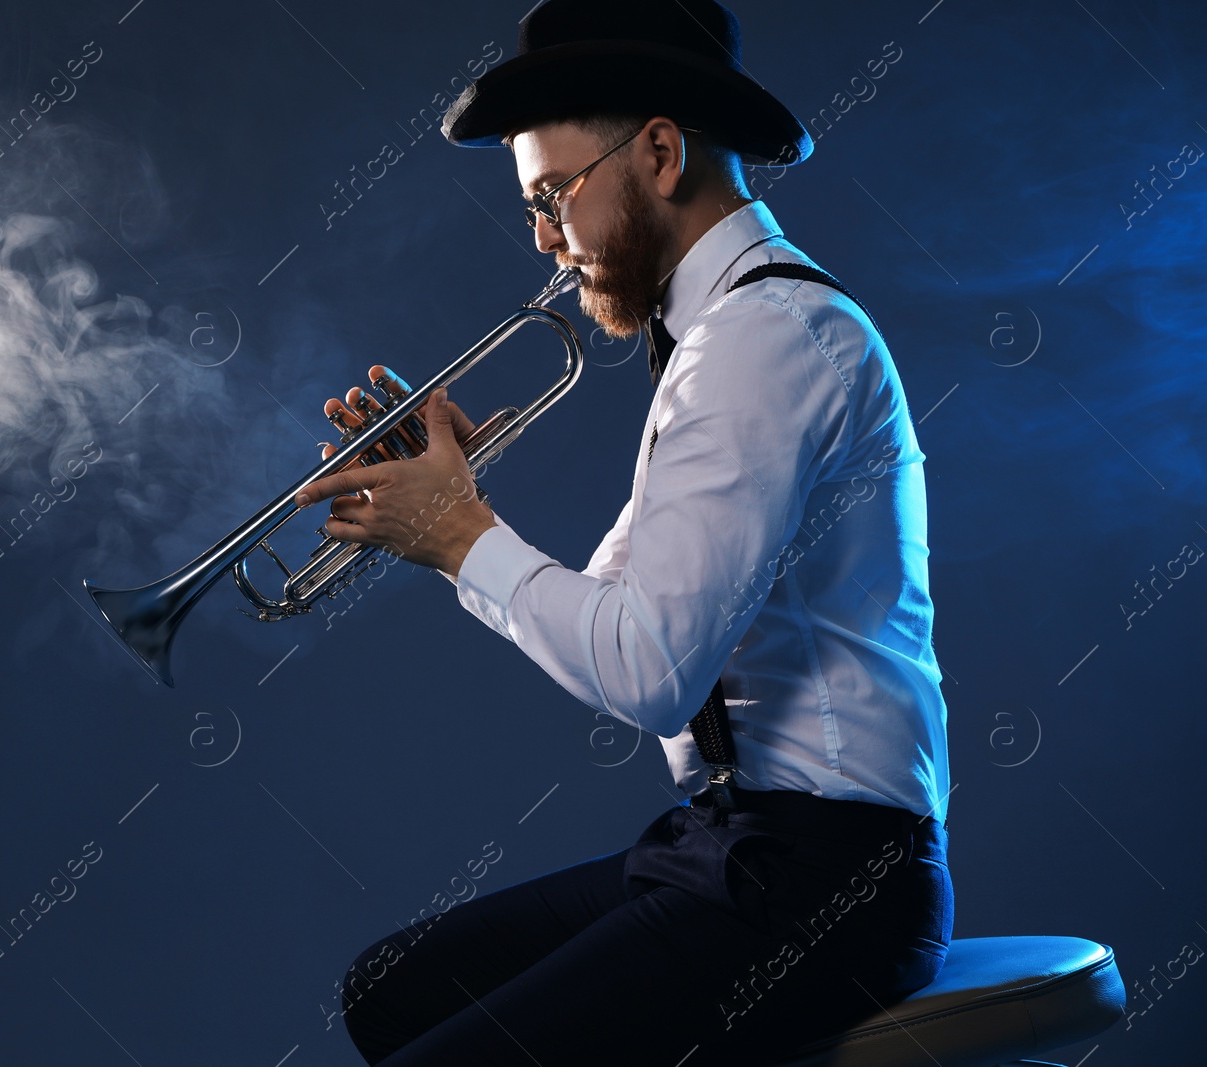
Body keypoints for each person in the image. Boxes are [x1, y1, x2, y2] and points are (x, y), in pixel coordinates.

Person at [293, 1, 953, 1063]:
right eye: (533, 212)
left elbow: (647, 670)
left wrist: (459, 533)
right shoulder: (715, 331)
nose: (548, 244)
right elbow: (613, 615)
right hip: (730, 842)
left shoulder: (762, 338)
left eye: (554, 196)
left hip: (828, 880)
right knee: (389, 990)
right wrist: (454, 506)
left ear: (656, 151)